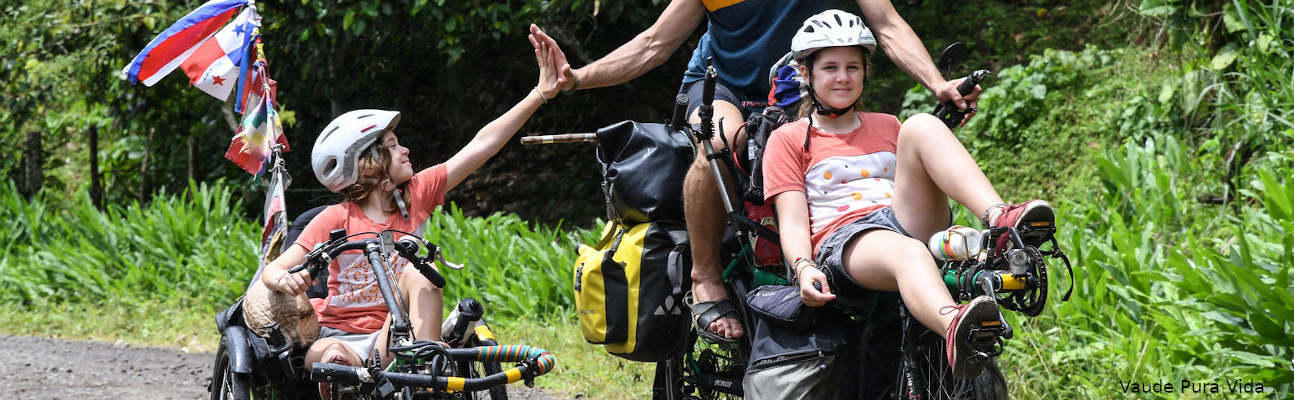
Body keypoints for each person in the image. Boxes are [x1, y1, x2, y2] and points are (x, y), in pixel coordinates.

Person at [528, 0, 980, 342]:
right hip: (728, 84)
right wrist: (578, 77)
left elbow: (887, 24)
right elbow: (654, 44)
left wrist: (938, 84)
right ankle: (705, 278)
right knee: (721, 142)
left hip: (809, 78)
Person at [259, 34, 561, 397]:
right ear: (370, 165)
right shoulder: (334, 218)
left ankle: (425, 368)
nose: (404, 149)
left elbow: (483, 144)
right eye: (391, 146)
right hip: (339, 337)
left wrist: (539, 94)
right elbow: (273, 269)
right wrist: (284, 281)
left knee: (422, 274)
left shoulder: (417, 194)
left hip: (398, 340)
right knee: (333, 359)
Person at [761, 10, 1055, 381]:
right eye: (830, 67)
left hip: (900, 218)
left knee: (920, 124)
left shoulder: (887, 124)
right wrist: (803, 266)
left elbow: (915, 183)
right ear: (807, 74)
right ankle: (955, 329)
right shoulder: (787, 138)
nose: (843, 77)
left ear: (865, 71)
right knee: (909, 251)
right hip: (846, 243)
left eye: (853, 67)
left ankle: (1001, 218)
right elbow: (791, 220)